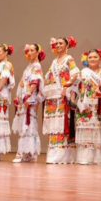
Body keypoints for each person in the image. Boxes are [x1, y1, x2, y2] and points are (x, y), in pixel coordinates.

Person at [42, 36, 79, 164]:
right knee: (54, 124)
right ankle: (54, 154)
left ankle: (64, 155)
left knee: (63, 123)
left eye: (61, 43)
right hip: (53, 95)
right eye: (56, 44)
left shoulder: (69, 59)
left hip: (63, 94)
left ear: (67, 45)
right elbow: (48, 77)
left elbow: (75, 74)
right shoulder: (54, 61)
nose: (58, 45)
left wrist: (67, 86)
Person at [71, 49, 101, 165]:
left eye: (95, 57)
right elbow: (75, 88)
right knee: (85, 129)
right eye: (90, 57)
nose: (92, 59)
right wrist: (75, 101)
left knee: (98, 130)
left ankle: (98, 158)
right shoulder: (83, 72)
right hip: (84, 105)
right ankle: (85, 158)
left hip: (99, 105)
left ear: (100, 58)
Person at [12, 44, 45, 163]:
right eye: (28, 51)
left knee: (28, 123)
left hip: (30, 98)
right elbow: (22, 82)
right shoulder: (29, 66)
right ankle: (28, 153)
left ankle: (23, 153)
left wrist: (28, 94)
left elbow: (35, 82)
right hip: (24, 97)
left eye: (32, 50)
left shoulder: (36, 65)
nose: (29, 53)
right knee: (25, 123)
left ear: (37, 52)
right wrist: (18, 96)